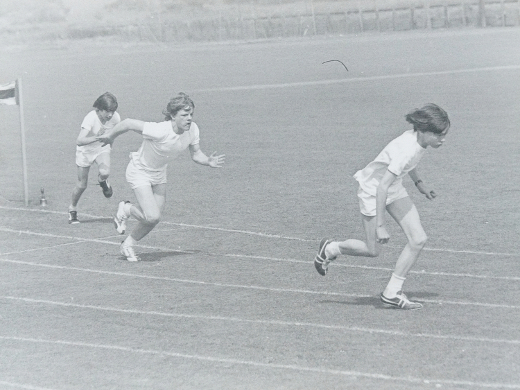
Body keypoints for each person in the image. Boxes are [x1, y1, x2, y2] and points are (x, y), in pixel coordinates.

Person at [314, 103, 451, 310]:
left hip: (393, 188)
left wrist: (419, 184)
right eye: (439, 135)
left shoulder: (419, 141)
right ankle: (331, 248)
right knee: (372, 250)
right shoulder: (408, 149)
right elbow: (382, 187)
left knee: (418, 238)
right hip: (373, 190)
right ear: (423, 131)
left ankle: (391, 293)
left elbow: (408, 166)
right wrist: (380, 225)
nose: (443, 139)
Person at [97, 92, 225, 262]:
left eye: (191, 114)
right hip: (139, 171)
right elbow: (127, 123)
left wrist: (208, 160)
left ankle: (127, 245)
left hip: (159, 173)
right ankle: (126, 208)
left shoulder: (192, 129)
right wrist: (110, 135)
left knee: (153, 219)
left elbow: (196, 154)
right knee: (153, 216)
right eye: (184, 115)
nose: (189, 119)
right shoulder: (159, 130)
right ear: (173, 116)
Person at [69, 92, 120, 224]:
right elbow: (79, 141)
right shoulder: (90, 118)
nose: (110, 115)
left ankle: (103, 181)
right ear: (99, 109)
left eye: (113, 111)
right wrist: (98, 137)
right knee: (81, 185)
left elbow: (114, 134)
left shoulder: (115, 118)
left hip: (101, 148)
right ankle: (72, 209)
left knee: (105, 172)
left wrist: (109, 146)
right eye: (107, 111)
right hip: (85, 151)